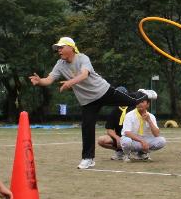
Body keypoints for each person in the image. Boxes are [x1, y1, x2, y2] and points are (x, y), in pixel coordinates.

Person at [30, 37, 140, 170]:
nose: (59, 50)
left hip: (103, 91)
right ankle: (88, 159)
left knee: (133, 101)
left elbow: (84, 75)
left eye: (61, 47)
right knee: (87, 128)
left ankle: (144, 94)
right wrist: (40, 81)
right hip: (88, 101)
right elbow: (48, 80)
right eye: (57, 48)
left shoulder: (82, 58)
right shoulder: (60, 64)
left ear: (71, 47)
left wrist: (69, 82)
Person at [119, 90, 166, 160]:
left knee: (162, 141)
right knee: (126, 141)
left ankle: (142, 154)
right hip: (133, 141)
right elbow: (127, 133)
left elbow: (157, 134)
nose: (139, 104)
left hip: (144, 140)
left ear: (148, 104)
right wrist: (142, 141)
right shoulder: (129, 115)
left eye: (142, 102)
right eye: (138, 102)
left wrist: (149, 120)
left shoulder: (151, 116)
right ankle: (127, 154)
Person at [97, 86, 131, 161]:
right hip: (120, 138)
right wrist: (117, 138)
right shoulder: (114, 112)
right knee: (101, 140)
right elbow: (109, 129)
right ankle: (120, 152)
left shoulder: (134, 108)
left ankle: (139, 152)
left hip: (133, 137)